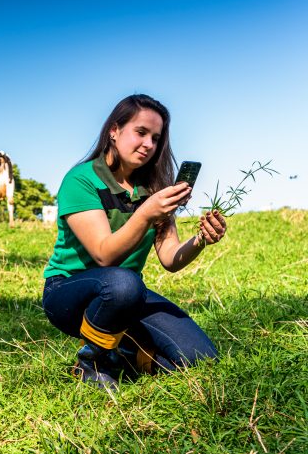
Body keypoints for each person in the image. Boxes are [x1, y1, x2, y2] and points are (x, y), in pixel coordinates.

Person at [42, 94, 227, 388]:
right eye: (141, 132)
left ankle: (125, 354)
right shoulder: (81, 180)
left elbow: (170, 258)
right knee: (123, 283)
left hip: (127, 297)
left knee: (199, 357)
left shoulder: (152, 190)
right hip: (69, 293)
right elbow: (104, 255)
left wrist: (201, 239)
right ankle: (92, 363)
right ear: (114, 131)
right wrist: (146, 213)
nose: (148, 144)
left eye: (155, 138)